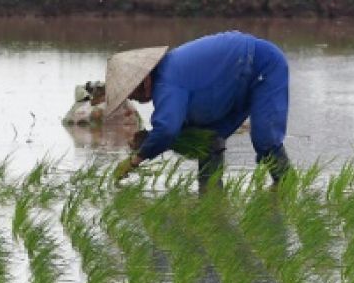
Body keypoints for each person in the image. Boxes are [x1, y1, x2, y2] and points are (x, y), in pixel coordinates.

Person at [105, 32, 291, 192]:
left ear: (145, 81)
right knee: (207, 139)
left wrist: (135, 160)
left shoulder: (167, 81)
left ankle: (287, 186)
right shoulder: (170, 77)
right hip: (236, 77)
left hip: (262, 65)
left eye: (132, 93)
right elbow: (176, 126)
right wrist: (148, 140)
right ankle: (211, 195)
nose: (133, 99)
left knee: (265, 139)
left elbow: (167, 130)